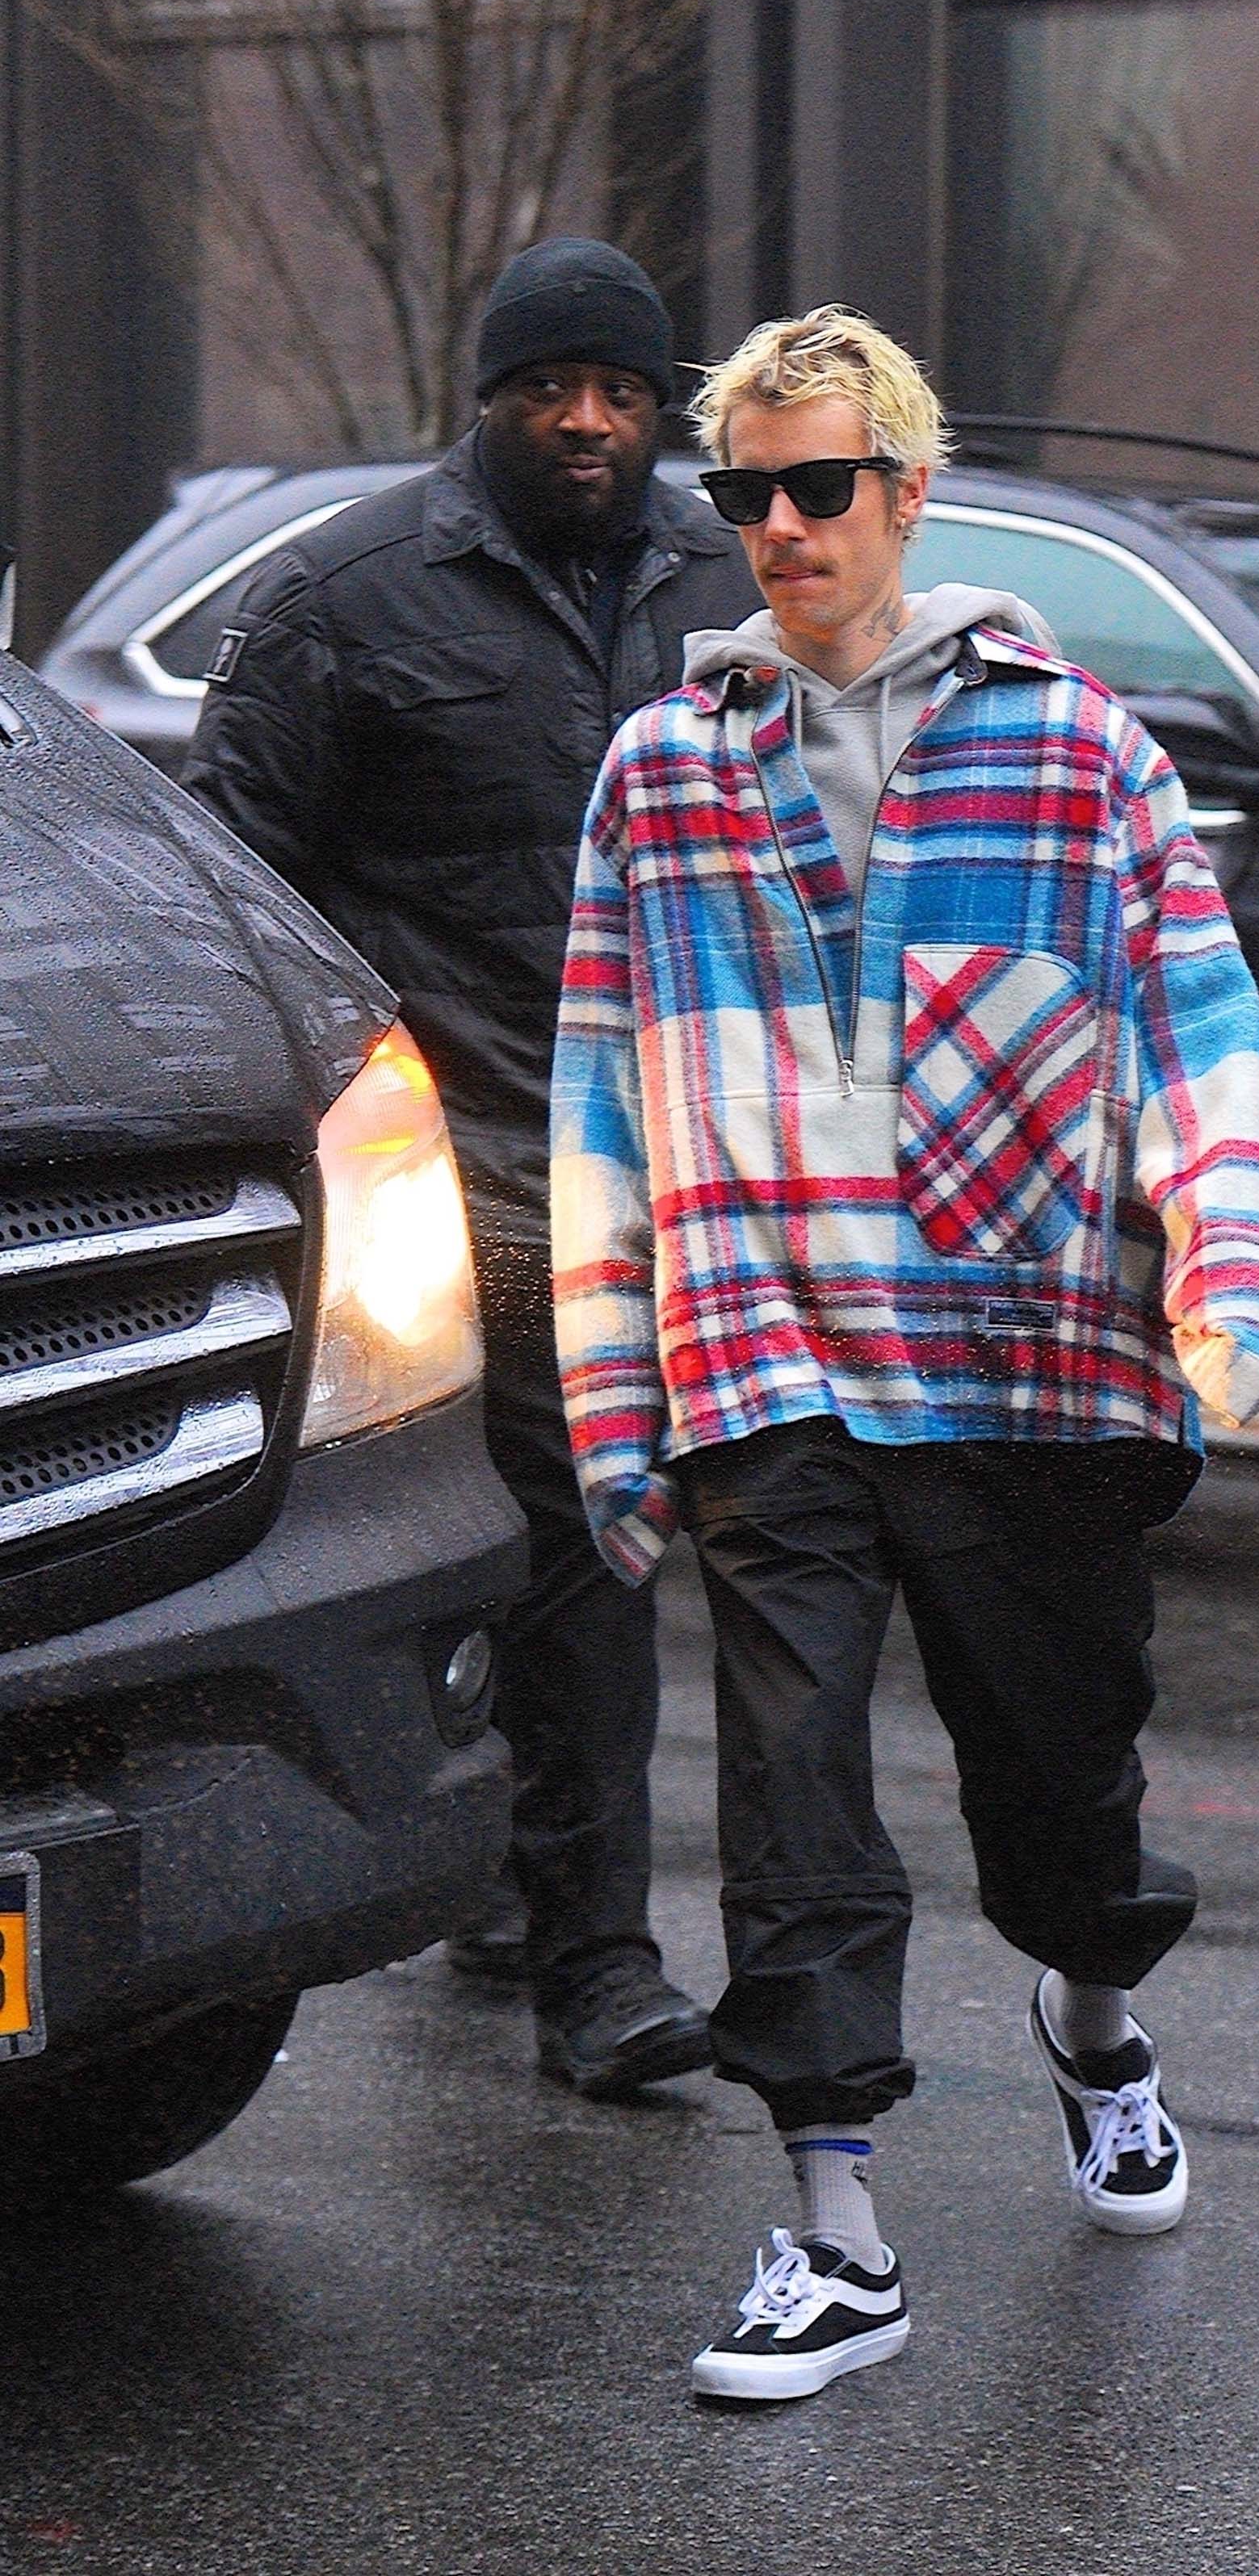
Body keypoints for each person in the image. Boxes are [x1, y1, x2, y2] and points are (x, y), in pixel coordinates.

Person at [552, 304, 1259, 2401]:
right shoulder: (664, 774)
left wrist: (1238, 1285)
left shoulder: (1078, 749)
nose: (782, 527)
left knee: (1059, 1786)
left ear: (908, 490)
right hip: (766, 1349)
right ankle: (835, 2231)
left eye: (822, 485)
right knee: (790, 1796)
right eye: (748, 493)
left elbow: (1202, 1033)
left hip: (1029, 1365)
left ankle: (1091, 2009)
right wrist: (613, 1399)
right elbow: (601, 1094)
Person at [183, 237, 759, 2100]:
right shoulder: (348, 598)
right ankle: (603, 1970)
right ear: (486, 394)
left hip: (698, 1157)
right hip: (475, 1170)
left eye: (619, 390)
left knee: (599, 1548)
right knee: (595, 1530)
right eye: (546, 387)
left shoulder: (731, 577)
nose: (585, 421)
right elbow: (234, 890)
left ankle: (522, 1879)